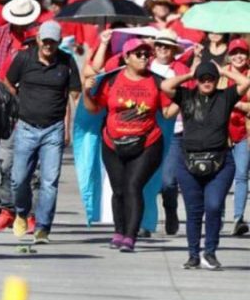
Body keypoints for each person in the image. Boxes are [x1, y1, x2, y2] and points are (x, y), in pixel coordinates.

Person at [83, 39, 175, 252]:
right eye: (138, 54)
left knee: (133, 186)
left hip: (148, 143)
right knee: (118, 189)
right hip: (112, 143)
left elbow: (167, 113)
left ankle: (130, 236)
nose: (144, 57)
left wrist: (180, 97)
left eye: (146, 54)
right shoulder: (111, 80)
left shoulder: (157, 81)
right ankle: (119, 231)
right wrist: (86, 92)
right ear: (126, 57)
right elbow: (94, 109)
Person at [161, 60, 250, 269]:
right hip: (189, 161)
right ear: (197, 80)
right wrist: (189, 74)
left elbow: (245, 83)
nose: (207, 82)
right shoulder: (186, 96)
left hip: (220, 163)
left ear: (217, 80)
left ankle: (210, 252)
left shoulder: (225, 97)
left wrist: (223, 70)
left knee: (214, 206)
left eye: (211, 78)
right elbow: (165, 86)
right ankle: (193, 255)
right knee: (193, 210)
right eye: (203, 79)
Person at [6, 21, 81, 243]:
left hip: (53, 129)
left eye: (53, 42)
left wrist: (68, 127)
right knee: (19, 179)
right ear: (38, 39)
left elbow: (73, 94)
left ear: (59, 42)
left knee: (49, 182)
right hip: (26, 126)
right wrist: (18, 100)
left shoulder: (67, 61)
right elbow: (8, 81)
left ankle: (43, 227)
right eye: (45, 41)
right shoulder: (24, 58)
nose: (48, 45)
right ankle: (21, 212)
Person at [0, 0, 41, 232]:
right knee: (3, 163)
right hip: (4, 108)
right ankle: (5, 209)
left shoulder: (39, 38)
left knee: (33, 167)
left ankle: (31, 213)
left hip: (31, 105)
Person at [149, 29, 189, 236]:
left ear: (174, 50)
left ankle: (170, 209)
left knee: (168, 181)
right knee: (145, 178)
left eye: (167, 46)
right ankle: (145, 221)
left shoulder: (182, 70)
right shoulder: (144, 65)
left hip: (175, 131)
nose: (162, 49)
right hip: (146, 129)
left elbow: (191, 96)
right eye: (159, 45)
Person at [222, 39, 250, 236]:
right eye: (234, 53)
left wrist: (240, 105)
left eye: (242, 53)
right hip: (222, 132)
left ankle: (238, 218)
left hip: (245, 132)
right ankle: (218, 215)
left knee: (241, 175)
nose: (238, 56)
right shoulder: (222, 74)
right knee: (221, 176)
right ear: (229, 55)